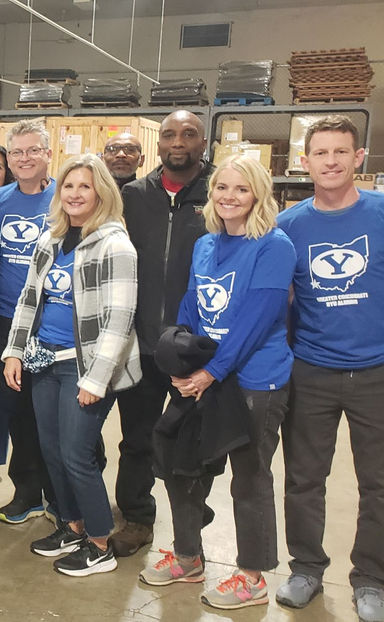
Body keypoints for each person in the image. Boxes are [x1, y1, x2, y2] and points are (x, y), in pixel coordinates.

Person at [139, 155, 295, 609]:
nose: (229, 197)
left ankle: (252, 577)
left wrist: (212, 371)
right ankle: (188, 557)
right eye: (222, 188)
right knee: (180, 464)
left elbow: (259, 318)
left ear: (258, 196)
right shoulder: (206, 244)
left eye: (241, 189)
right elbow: (191, 305)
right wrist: (182, 358)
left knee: (249, 480)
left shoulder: (273, 245)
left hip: (254, 381)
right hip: (203, 376)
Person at [2, 153, 140, 578]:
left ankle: (100, 542)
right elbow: (29, 298)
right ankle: (72, 524)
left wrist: (96, 379)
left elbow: (120, 318)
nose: (76, 194)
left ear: (101, 191)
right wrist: (14, 350)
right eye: (69, 186)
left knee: (77, 454)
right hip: (44, 359)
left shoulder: (115, 243)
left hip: (84, 369)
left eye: (85, 186)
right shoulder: (50, 239)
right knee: (51, 451)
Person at [275, 115, 384, 622]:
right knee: (303, 479)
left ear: (358, 158)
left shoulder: (382, 214)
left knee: (378, 483)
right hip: (311, 370)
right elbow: (282, 299)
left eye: (342, 152)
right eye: (322, 153)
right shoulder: (289, 225)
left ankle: (371, 579)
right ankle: (306, 569)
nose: (332, 161)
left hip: (376, 372)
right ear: (306, 161)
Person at [113, 110, 211, 557]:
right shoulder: (133, 196)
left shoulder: (219, 193)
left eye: (188, 134)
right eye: (169, 134)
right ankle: (136, 517)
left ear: (202, 142)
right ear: (158, 145)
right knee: (137, 437)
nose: (178, 142)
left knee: (195, 440)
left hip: (199, 346)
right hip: (143, 342)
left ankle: (192, 516)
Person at [0, 120, 57, 524]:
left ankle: (64, 497)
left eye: (32, 151)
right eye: (17, 153)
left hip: (56, 322)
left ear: (48, 154)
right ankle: (28, 493)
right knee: (18, 411)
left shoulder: (66, 198)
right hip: (8, 322)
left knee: (57, 414)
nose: (25, 159)